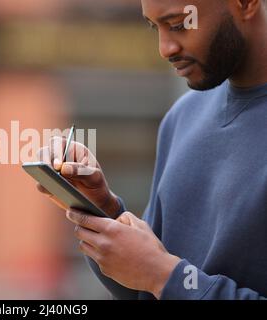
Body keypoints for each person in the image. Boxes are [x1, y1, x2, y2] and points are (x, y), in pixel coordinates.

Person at [35, 0, 267, 299]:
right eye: (154, 27)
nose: (165, 48)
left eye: (180, 24)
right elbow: (147, 289)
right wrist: (103, 210)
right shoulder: (182, 117)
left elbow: (162, 277)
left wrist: (163, 276)